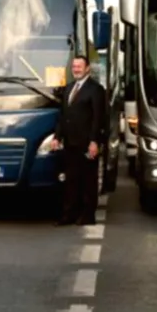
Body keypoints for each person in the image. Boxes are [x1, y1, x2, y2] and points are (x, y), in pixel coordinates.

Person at [52, 56, 107, 226]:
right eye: (74, 66)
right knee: (71, 181)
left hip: (86, 143)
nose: (76, 69)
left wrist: (94, 142)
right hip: (70, 143)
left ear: (88, 69)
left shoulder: (96, 89)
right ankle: (69, 215)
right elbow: (64, 116)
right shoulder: (68, 88)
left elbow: (98, 118)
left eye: (79, 66)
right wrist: (57, 137)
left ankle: (88, 216)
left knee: (88, 181)